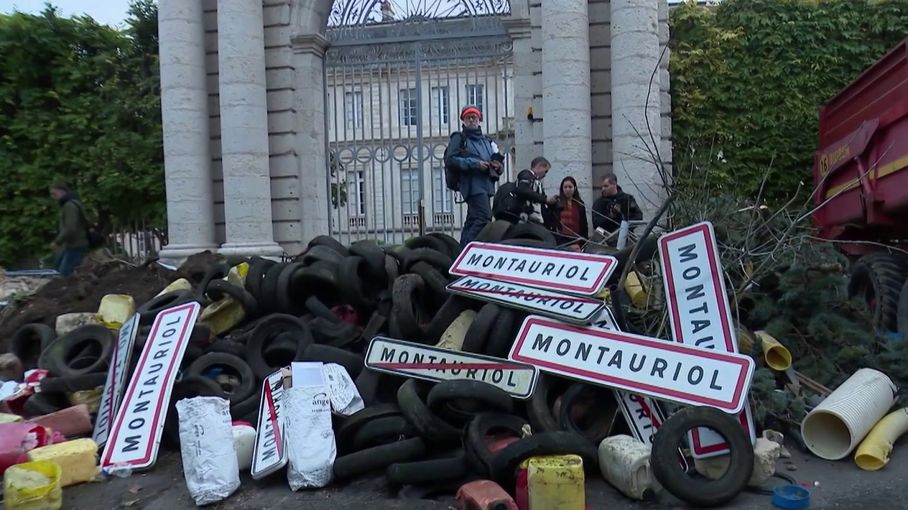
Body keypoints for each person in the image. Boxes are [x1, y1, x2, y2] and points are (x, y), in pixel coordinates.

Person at [445, 105, 502, 247]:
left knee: (473, 220)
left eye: (474, 117)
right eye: (468, 117)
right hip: (472, 186)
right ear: (463, 120)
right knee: (484, 217)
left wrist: (497, 166)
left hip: (486, 186)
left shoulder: (488, 141)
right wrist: (475, 164)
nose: (471, 120)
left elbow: (499, 162)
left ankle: (461, 251)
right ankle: (468, 251)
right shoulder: (459, 138)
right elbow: (450, 160)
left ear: (479, 120)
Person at [49, 183, 90, 276]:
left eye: (54, 194)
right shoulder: (73, 203)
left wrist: (57, 241)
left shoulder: (69, 206)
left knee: (65, 273)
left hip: (76, 244)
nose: (53, 197)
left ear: (62, 192)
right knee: (60, 267)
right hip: (73, 244)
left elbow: (70, 227)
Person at [549, 176, 589, 251]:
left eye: (570, 187)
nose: (568, 189)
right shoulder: (557, 203)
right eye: (565, 187)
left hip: (577, 240)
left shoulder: (580, 204)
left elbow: (584, 225)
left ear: (575, 188)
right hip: (560, 241)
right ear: (562, 189)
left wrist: (584, 242)